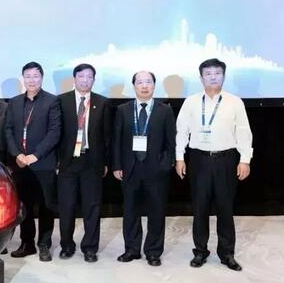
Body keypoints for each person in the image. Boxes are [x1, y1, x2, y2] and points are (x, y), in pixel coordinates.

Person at [176, 58, 252, 271]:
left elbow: (244, 132)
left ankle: (227, 253)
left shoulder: (235, 102)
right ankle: (200, 251)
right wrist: (179, 157)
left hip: (226, 160)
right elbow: (181, 131)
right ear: (201, 78)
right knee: (199, 208)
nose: (213, 77)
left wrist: (245, 160)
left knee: (225, 208)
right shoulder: (191, 101)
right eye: (208, 74)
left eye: (217, 73)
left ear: (224, 76)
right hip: (199, 160)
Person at [112, 71, 175, 267]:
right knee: (130, 212)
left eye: (148, 82)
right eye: (140, 82)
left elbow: (171, 141)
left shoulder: (165, 110)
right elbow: (116, 140)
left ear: (154, 85)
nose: (144, 85)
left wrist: (166, 164)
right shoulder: (123, 109)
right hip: (130, 169)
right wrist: (117, 165)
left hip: (156, 170)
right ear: (134, 86)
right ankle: (131, 249)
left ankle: (153, 252)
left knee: (156, 212)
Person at [5, 61, 61, 262]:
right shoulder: (14, 102)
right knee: (24, 206)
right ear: (23, 78)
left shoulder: (52, 101)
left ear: (42, 78)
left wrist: (35, 155)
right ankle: (27, 243)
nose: (31, 80)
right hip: (20, 164)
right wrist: (17, 154)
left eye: (35, 76)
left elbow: (54, 132)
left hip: (43, 162)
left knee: (46, 205)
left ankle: (44, 243)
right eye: (28, 76)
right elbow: (8, 130)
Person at [57, 63, 110, 262]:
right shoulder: (61, 101)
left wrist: (105, 161)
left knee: (92, 207)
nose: (85, 80)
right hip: (67, 162)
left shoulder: (102, 102)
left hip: (92, 161)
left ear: (93, 80)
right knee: (67, 206)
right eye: (81, 76)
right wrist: (57, 161)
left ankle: (90, 247)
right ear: (74, 79)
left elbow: (107, 136)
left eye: (89, 77)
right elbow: (56, 134)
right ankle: (67, 245)